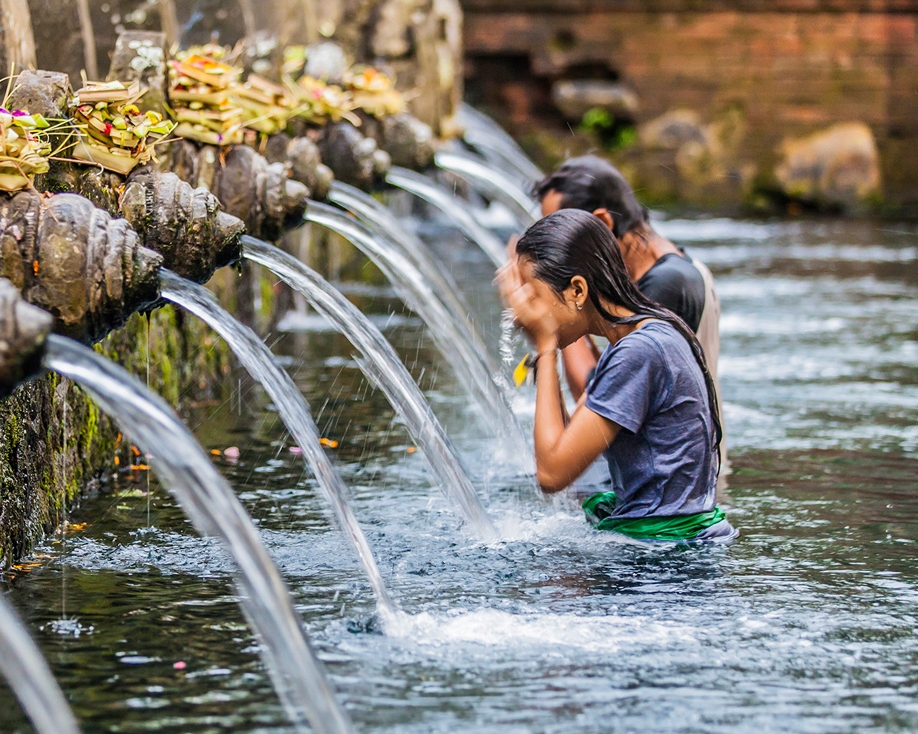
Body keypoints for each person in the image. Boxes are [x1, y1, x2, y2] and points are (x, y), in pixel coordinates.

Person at [497, 209, 735, 542]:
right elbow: (570, 447)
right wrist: (544, 347)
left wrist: (547, 344)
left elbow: (552, 473)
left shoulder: (638, 352)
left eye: (533, 295)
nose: (524, 310)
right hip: (670, 547)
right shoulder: (644, 334)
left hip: (665, 566)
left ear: (577, 290)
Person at [534, 155, 726, 470]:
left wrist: (557, 316)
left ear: (603, 224)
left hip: (675, 501)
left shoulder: (666, 286)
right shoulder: (668, 268)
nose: (551, 259)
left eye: (560, 242)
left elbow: (597, 403)